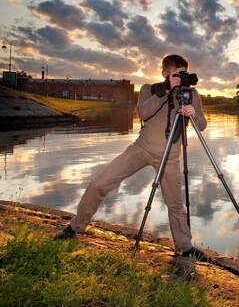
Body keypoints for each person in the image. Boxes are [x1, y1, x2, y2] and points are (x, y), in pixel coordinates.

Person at [55, 54, 208, 260]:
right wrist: (166, 90)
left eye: (182, 74)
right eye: (174, 74)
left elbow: (202, 125)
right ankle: (75, 227)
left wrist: (192, 114)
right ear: (164, 73)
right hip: (141, 149)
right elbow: (143, 113)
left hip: (170, 156)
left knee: (175, 204)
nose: (180, 78)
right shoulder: (149, 90)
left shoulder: (192, 94)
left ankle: (185, 247)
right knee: (99, 184)